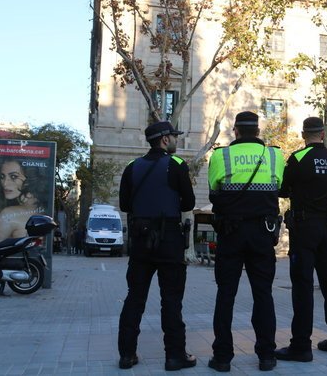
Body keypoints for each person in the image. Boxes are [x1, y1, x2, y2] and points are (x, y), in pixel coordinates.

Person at [207, 111, 285, 372]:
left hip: (230, 235)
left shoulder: (221, 156)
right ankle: (266, 356)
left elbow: (214, 190)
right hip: (263, 234)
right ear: (258, 131)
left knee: (225, 295)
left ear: (236, 131)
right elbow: (280, 187)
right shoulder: (275, 155)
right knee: (263, 295)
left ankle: (222, 358)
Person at [116, 120, 196, 371]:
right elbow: (188, 203)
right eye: (174, 136)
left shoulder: (131, 167)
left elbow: (125, 205)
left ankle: (127, 355)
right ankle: (175, 356)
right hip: (169, 240)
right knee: (171, 300)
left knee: (134, 299)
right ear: (164, 140)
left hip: (141, 241)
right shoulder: (177, 165)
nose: (176, 140)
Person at [275, 117, 327, 362]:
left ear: (303, 134)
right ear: (324, 135)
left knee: (303, 285)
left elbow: (283, 190)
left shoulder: (298, 158)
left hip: (304, 228)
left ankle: (301, 346)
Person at [0, 159, 48, 243]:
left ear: (30, 179)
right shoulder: (41, 209)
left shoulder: (8, 214)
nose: (5, 183)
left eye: (13, 177)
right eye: (2, 177)